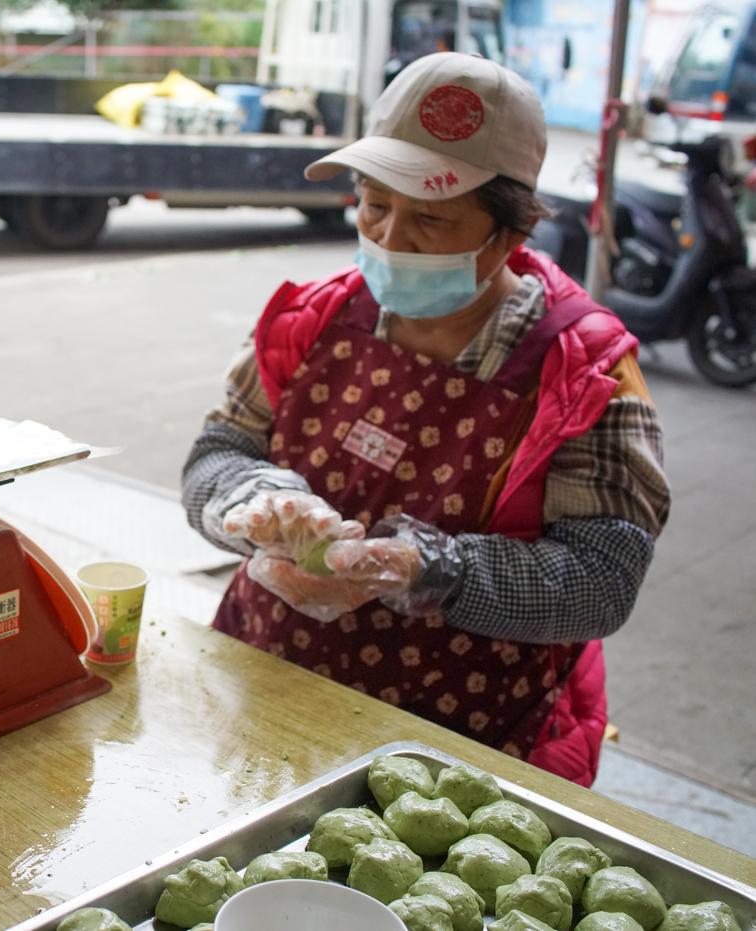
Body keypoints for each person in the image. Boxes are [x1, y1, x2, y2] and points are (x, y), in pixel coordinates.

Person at [183, 53, 669, 787]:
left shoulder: (584, 374)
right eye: (373, 203)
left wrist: (425, 567)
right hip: (265, 684)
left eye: (430, 219)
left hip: (452, 745)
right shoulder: (313, 318)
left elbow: (601, 580)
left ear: (509, 233)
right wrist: (253, 502)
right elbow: (217, 450)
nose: (387, 238)